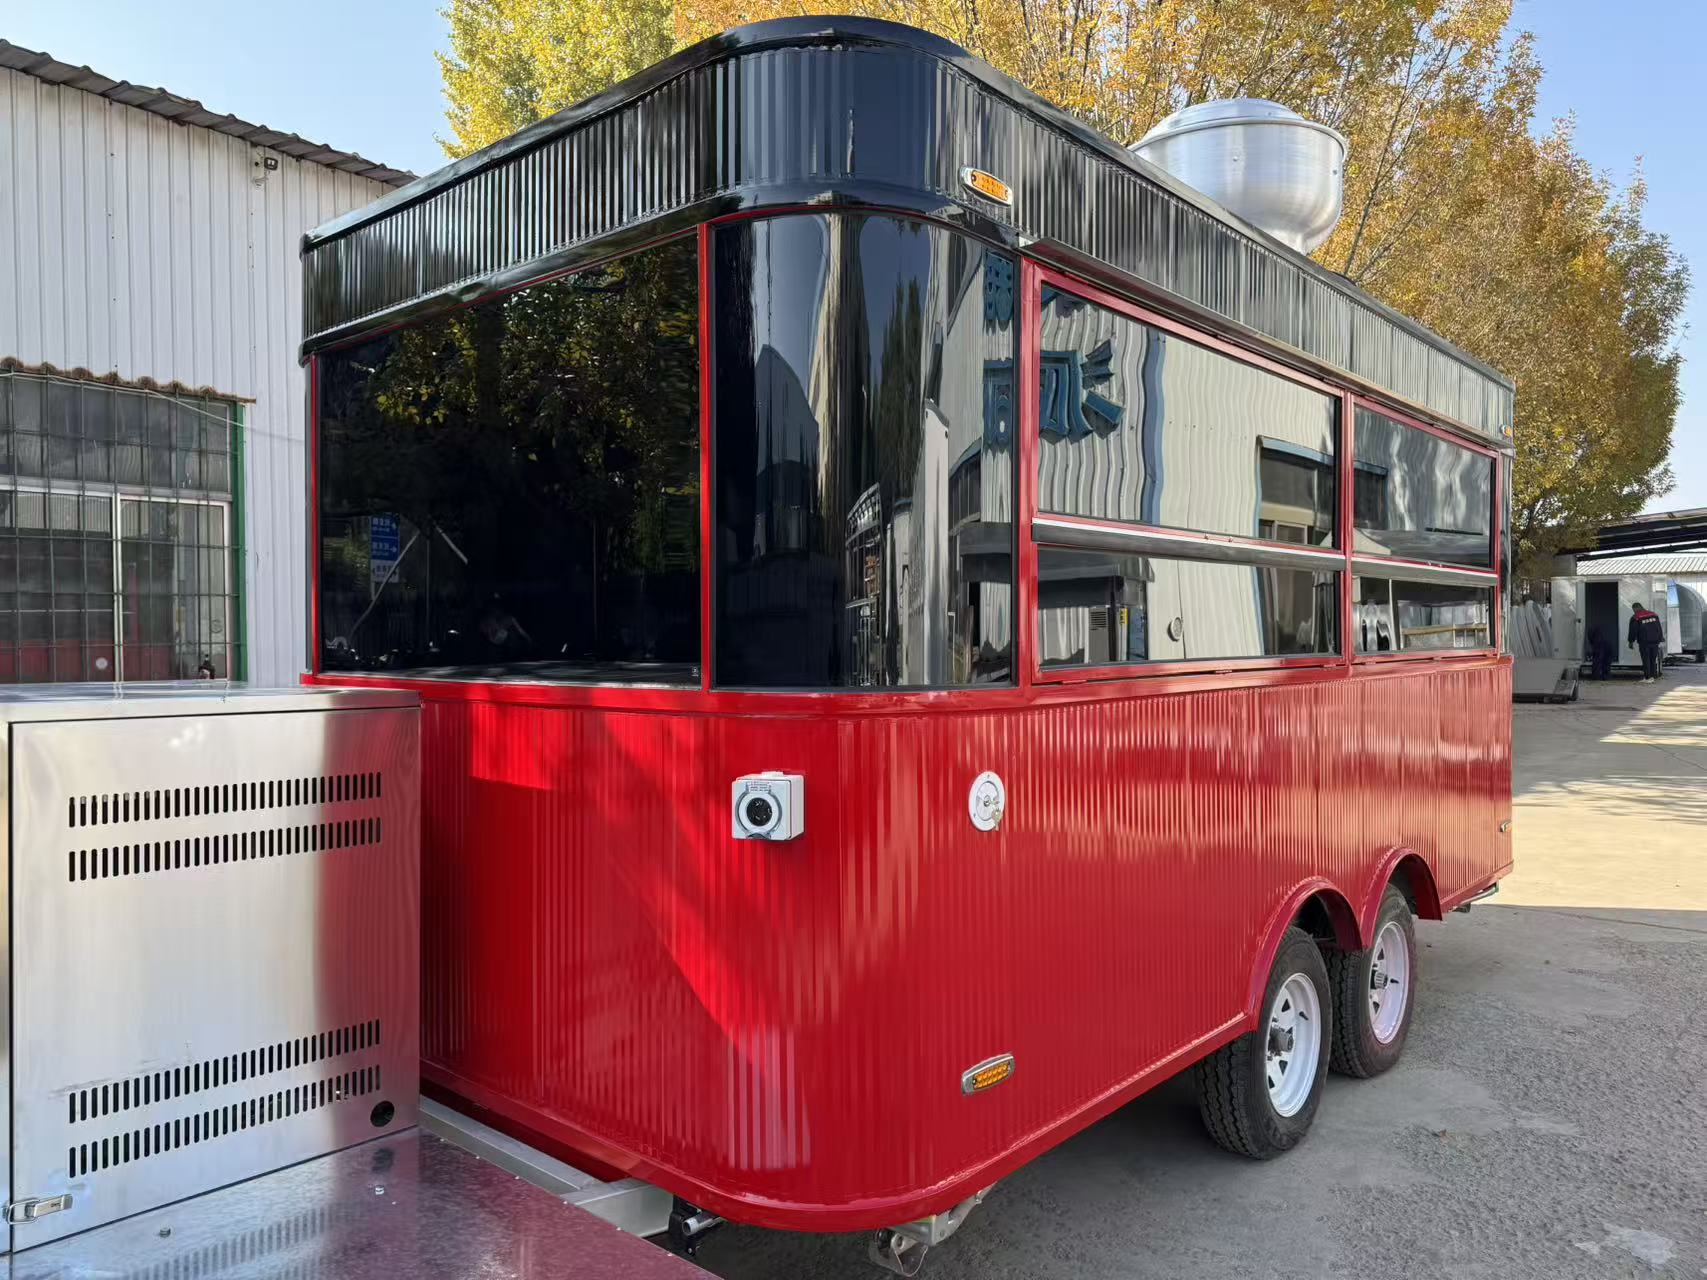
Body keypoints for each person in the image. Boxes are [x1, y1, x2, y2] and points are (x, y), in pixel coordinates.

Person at [1627, 601, 1665, 684]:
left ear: (1636, 608)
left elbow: (1633, 631)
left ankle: (1647, 677)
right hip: (1655, 641)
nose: (1634, 611)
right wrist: (1661, 637)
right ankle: (1652, 677)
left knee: (1646, 660)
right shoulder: (1653, 615)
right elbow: (1659, 627)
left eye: (1634, 609)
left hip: (1645, 642)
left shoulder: (1636, 617)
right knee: (1652, 659)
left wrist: (1631, 642)